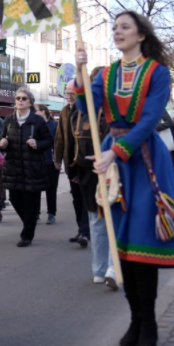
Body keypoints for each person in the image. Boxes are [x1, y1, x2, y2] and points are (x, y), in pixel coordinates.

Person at [75, 10, 174, 346]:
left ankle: (148, 320)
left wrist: (117, 151)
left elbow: (151, 117)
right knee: (120, 245)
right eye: (114, 28)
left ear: (140, 35)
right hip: (113, 161)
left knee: (141, 247)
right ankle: (135, 318)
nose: (117, 32)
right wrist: (79, 76)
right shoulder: (106, 74)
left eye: (124, 27)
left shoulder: (158, 73)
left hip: (144, 160)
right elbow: (87, 108)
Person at [68, 67, 116, 288]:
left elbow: (73, 145)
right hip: (111, 172)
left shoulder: (79, 112)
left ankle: (100, 270)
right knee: (112, 221)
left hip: (87, 171)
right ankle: (111, 268)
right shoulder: (114, 111)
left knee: (97, 222)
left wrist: (74, 171)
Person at [0, 87, 53, 247]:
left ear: (30, 102)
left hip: (33, 168)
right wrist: (2, 143)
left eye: (24, 98)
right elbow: (3, 139)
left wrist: (37, 143)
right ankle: (29, 223)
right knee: (15, 198)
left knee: (31, 202)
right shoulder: (9, 120)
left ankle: (27, 235)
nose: (20, 101)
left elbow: (49, 141)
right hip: (14, 167)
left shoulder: (37, 121)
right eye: (18, 98)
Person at [55, 80, 90, 247]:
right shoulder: (64, 111)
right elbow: (61, 137)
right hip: (70, 162)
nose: (69, 96)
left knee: (85, 198)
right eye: (67, 93)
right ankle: (81, 229)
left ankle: (85, 232)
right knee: (76, 198)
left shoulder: (87, 111)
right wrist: (58, 159)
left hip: (84, 162)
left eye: (72, 93)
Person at [34, 103, 58, 224]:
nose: (34, 112)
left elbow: (57, 143)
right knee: (36, 189)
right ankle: (36, 213)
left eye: (36, 110)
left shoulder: (54, 125)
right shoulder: (34, 124)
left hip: (51, 162)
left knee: (51, 189)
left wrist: (57, 159)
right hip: (37, 162)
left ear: (43, 111)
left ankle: (51, 213)